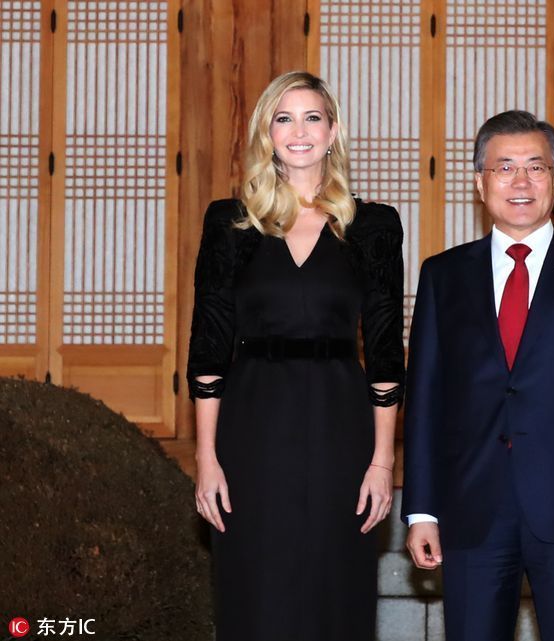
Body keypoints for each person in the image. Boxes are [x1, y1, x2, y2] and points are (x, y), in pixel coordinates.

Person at [400, 110, 554, 641]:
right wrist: (420, 510)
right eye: (504, 167)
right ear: (479, 182)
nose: (521, 181)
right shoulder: (443, 275)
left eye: (535, 167)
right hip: (472, 508)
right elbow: (424, 402)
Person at [186, 70, 404, 641]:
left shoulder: (373, 225)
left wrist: (382, 462)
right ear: (268, 134)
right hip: (252, 425)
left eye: (312, 118)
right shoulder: (230, 222)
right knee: (257, 586)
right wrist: (207, 458)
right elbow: (208, 347)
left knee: (336, 584)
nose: (299, 131)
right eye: (283, 119)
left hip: (341, 424)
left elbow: (386, 353)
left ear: (332, 131)